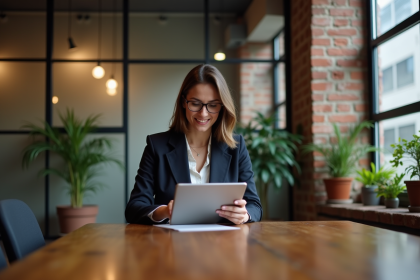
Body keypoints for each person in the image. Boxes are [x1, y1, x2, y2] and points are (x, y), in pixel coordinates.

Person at [125, 64, 262, 225]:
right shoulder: (157, 146)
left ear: (222, 107)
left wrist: (244, 215)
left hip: (224, 244)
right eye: (195, 103)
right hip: (170, 245)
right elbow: (134, 208)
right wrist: (165, 211)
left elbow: (255, 206)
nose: (203, 113)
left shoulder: (236, 147)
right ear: (184, 102)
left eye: (213, 105)